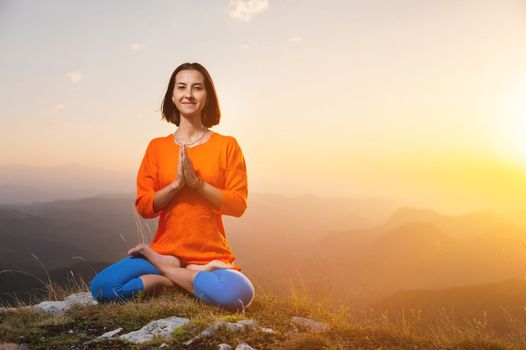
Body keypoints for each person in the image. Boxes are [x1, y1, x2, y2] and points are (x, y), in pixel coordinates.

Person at [90, 62, 255, 312]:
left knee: (239, 294)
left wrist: (197, 184)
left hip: (210, 257)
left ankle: (174, 275)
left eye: (197, 87)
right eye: (181, 87)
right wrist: (177, 185)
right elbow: (145, 207)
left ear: (207, 96)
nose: (188, 94)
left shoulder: (227, 146)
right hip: (166, 252)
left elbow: (238, 205)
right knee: (103, 287)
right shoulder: (157, 147)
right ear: (173, 96)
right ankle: (172, 279)